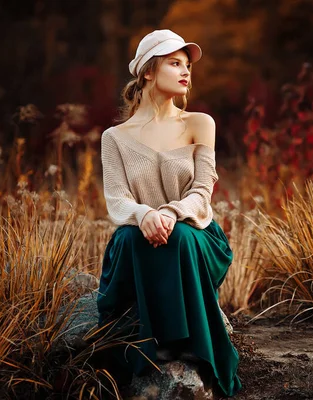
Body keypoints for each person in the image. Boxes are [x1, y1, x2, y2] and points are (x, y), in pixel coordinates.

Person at [96, 29, 241, 397]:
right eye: (174, 63)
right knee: (131, 234)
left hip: (196, 235)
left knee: (174, 235)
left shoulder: (199, 123)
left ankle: (186, 346)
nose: (186, 71)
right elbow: (116, 198)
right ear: (147, 71)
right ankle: (143, 353)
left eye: (187, 65)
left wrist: (170, 214)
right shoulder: (115, 138)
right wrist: (144, 214)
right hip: (139, 234)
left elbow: (202, 190)